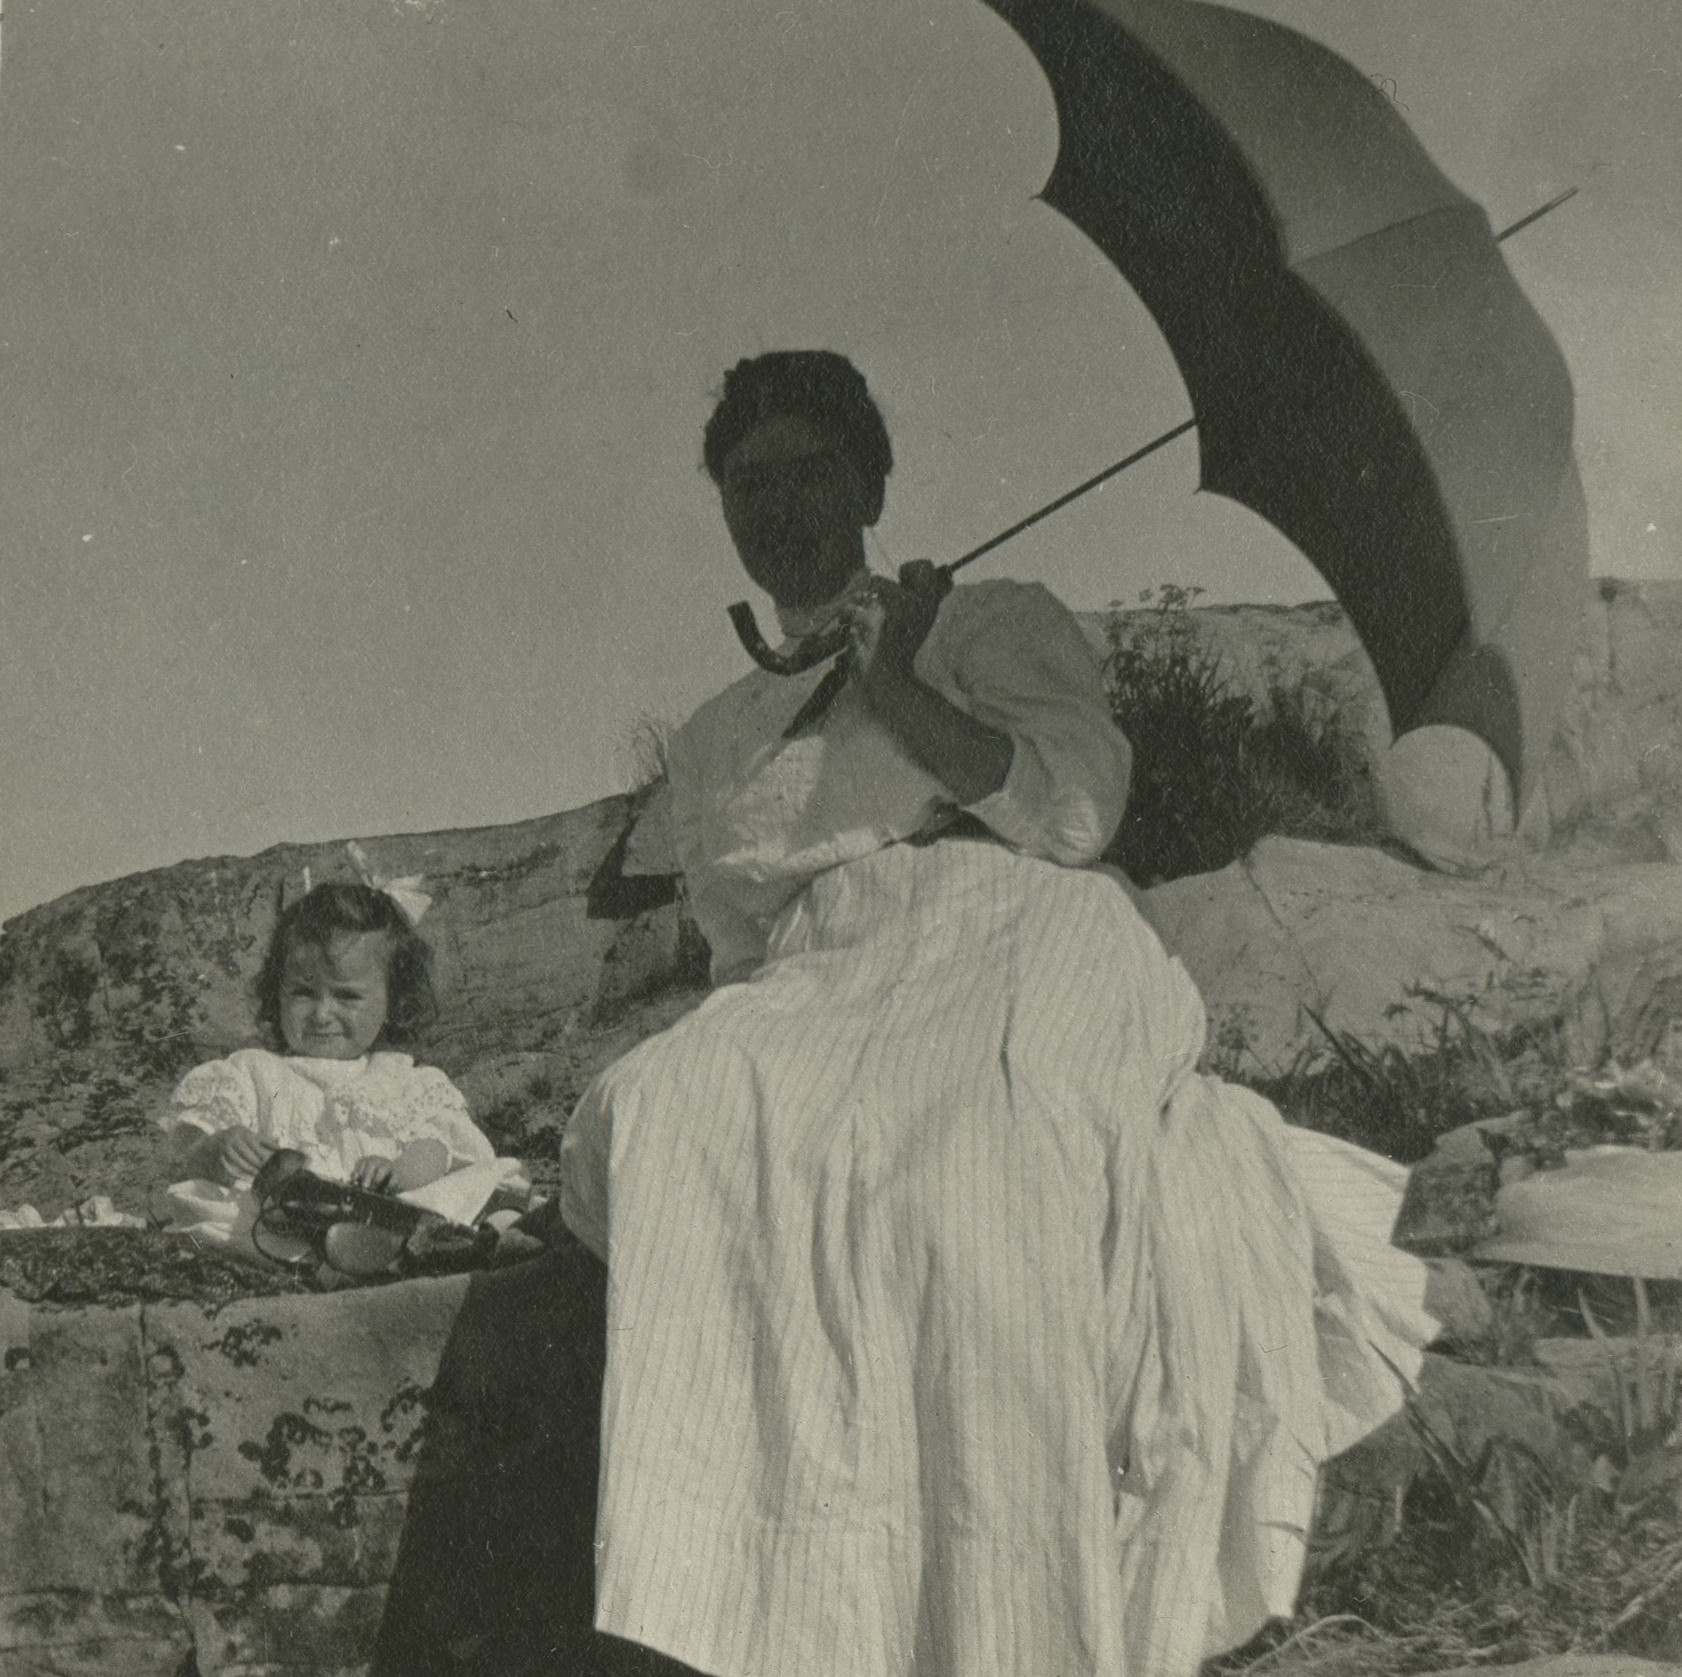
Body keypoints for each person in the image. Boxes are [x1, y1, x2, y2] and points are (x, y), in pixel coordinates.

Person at [558, 351, 1438, 1677]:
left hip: (1017, 926)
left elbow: (1074, 819)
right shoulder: (719, 724)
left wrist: (901, 681)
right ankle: (764, 1605)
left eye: (810, 473)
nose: (780, 506)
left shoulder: (992, 620)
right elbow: (739, 933)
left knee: (981, 1169)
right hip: (827, 967)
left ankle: (1011, 1627)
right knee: (655, 1111)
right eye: (748, 484)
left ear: (871, 482)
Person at [152, 879, 498, 1251]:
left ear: (392, 1002)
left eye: (346, 996)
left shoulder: (405, 1079)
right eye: (303, 993)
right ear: (277, 991)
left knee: (477, 1190)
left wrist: (397, 1173)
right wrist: (221, 1147)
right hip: (277, 1222)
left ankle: (398, 1249)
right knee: (219, 1214)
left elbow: (439, 1148)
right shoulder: (253, 1073)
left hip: (383, 1210)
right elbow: (192, 1152)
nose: (321, 1014)